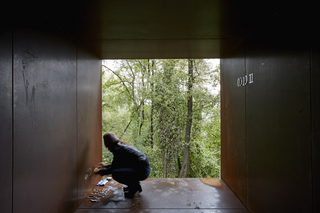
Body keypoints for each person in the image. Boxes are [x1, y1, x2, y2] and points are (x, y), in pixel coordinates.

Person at [94, 132, 151, 198]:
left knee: (115, 174)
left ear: (109, 144)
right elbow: (119, 165)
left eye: (107, 147)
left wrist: (99, 172)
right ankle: (134, 186)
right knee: (119, 171)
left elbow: (113, 169)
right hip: (143, 169)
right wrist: (106, 165)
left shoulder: (117, 149)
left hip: (142, 171)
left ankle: (134, 187)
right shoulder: (120, 146)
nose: (108, 149)